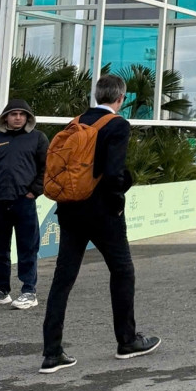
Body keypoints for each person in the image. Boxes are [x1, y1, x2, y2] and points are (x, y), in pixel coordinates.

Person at [40, 73, 159, 374]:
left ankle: (52, 353)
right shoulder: (117, 125)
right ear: (121, 98)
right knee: (122, 271)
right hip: (103, 213)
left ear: (97, 95)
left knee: (63, 279)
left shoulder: (76, 122)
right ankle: (126, 341)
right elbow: (113, 172)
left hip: (70, 209)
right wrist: (117, 203)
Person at [0, 98, 47, 308]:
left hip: (24, 202)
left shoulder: (38, 138)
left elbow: (47, 167)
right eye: (14, 114)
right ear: (6, 117)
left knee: (27, 248)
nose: (18, 118)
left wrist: (34, 191)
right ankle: (1, 291)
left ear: (28, 118)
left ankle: (29, 291)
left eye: (22, 114)